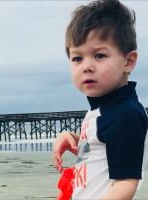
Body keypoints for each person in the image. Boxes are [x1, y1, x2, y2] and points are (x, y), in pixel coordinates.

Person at [53, 0, 148, 199]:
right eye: (77, 58)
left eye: (99, 55)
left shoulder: (125, 113)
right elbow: (102, 145)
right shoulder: (102, 110)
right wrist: (73, 138)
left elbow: (126, 184)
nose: (86, 66)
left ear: (128, 62)